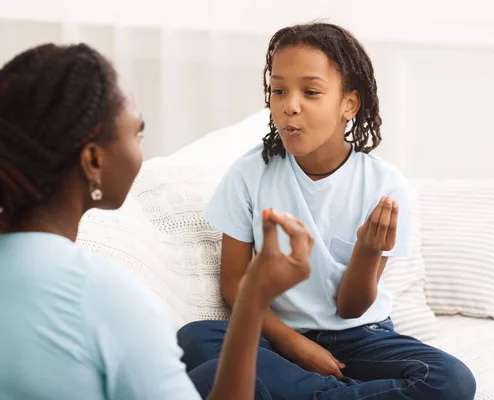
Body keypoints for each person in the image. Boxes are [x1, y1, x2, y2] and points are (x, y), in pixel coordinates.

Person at [178, 22, 477, 399]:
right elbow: (235, 284)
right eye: (279, 90)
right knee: (193, 339)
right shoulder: (248, 174)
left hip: (361, 339)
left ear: (349, 104)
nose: (290, 105)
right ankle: (333, 393)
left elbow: (351, 308)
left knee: (450, 381)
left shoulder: (384, 186)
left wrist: (368, 252)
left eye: (311, 92)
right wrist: (294, 345)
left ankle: (295, 391)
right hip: (275, 336)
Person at [0, 43, 314, 400]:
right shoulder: (104, 295)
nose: (140, 149)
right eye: (137, 133)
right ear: (92, 160)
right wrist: (252, 298)